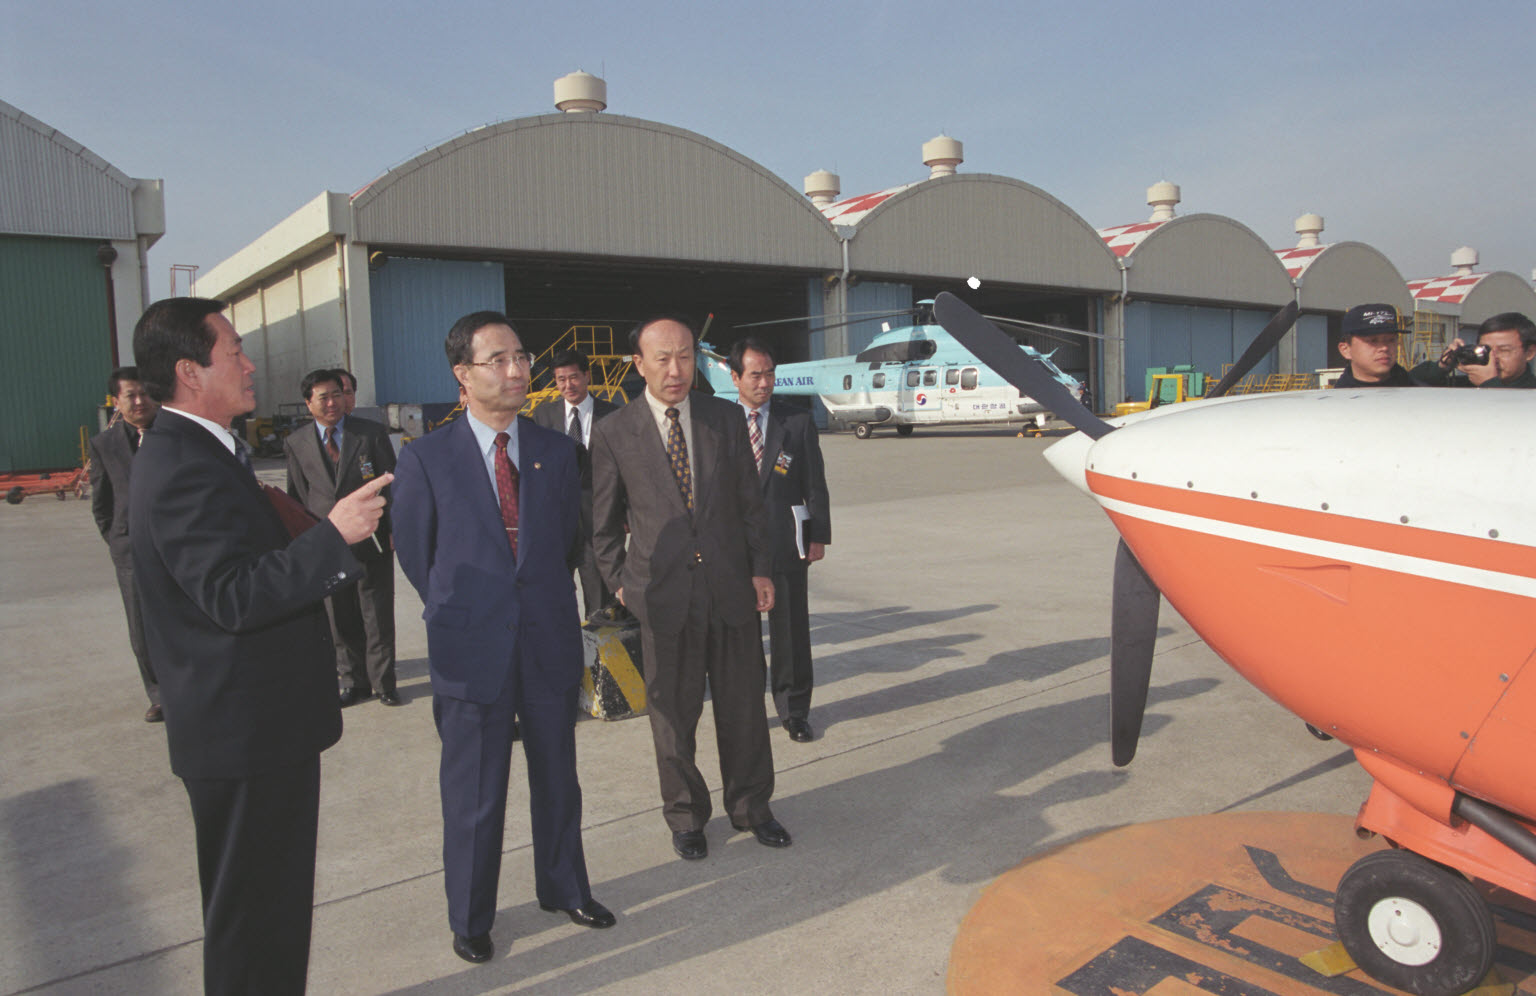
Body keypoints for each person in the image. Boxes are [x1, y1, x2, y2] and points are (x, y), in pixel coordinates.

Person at [128, 297, 390, 995]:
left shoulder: (204, 450)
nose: (249, 364)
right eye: (235, 352)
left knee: (270, 913)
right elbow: (233, 595)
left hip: (256, 728)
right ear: (190, 372)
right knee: (253, 919)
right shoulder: (182, 463)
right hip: (241, 735)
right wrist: (333, 534)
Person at [392, 311, 613, 965]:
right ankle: (470, 915)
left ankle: (565, 887)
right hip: (471, 648)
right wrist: (469, 612)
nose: (519, 371)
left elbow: (569, 546)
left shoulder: (555, 452)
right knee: (474, 792)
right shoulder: (425, 459)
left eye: (522, 358)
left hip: (546, 639)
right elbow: (417, 556)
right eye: (501, 360)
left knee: (557, 777)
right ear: (463, 374)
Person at [590, 315, 789, 861]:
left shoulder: (723, 418)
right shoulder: (613, 432)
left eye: (684, 357)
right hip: (662, 596)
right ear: (638, 364)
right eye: (662, 358)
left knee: (744, 706)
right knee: (673, 715)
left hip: (730, 589)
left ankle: (752, 807)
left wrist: (760, 569)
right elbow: (602, 525)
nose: (676, 370)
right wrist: (622, 585)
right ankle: (686, 815)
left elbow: (751, 504)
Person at [729, 338, 831, 744]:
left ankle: (794, 710)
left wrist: (818, 535)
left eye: (770, 373)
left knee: (790, 631)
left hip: (787, 542)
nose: (764, 382)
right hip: (734, 547)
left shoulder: (797, 421)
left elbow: (815, 484)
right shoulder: (719, 422)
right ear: (735, 377)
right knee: (741, 634)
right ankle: (748, 712)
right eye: (755, 374)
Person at [285, 368, 400, 707]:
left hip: (371, 537)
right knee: (339, 616)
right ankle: (354, 681)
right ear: (309, 404)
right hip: (327, 541)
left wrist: (392, 527)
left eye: (337, 394)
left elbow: (392, 484)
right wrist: (303, 542)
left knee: (376, 612)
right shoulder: (297, 442)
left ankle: (384, 684)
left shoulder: (370, 434)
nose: (332, 402)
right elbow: (297, 495)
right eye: (324, 397)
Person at [89, 367, 165, 722]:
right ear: (117, 402)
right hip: (130, 549)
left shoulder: (176, 434)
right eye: (130, 396)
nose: (139, 401)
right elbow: (102, 503)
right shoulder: (105, 445)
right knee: (141, 626)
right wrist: (116, 540)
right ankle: (159, 694)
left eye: (145, 393)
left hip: (177, 546)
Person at [532, 348, 619, 617]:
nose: (568, 385)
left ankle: (601, 651)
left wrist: (625, 510)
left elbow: (623, 468)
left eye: (574, 377)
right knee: (555, 591)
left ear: (587, 377)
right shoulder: (543, 416)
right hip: (557, 520)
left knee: (600, 595)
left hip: (599, 518)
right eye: (560, 379)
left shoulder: (613, 415)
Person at [1410, 312, 1536, 389]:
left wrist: (1490, 385)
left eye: (1503, 351)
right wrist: (1441, 366)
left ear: (1529, 353)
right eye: (1485, 349)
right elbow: (1408, 383)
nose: (1492, 358)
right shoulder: (1470, 384)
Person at [1331, 303, 1417, 387]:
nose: (1384, 348)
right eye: (1373, 341)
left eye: (1391, 340)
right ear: (1346, 350)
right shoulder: (1338, 399)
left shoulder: (1420, 394)